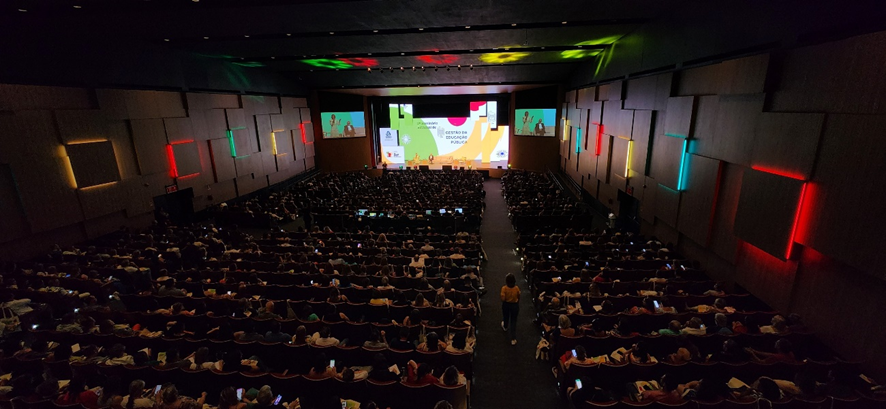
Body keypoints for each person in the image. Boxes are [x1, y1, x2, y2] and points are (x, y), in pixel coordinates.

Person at [501, 273, 520, 345]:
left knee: (506, 316)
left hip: (506, 305)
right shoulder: (517, 288)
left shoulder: (504, 288)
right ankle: (513, 338)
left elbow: (503, 299)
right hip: (515, 305)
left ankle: (505, 326)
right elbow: (518, 296)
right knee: (513, 321)